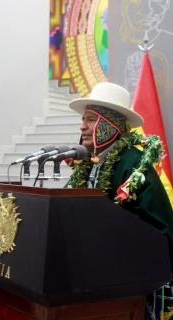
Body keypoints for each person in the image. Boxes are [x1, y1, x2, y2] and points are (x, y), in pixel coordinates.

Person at [66, 82, 173, 319]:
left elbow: (156, 230)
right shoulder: (90, 163)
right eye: (83, 119)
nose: (82, 126)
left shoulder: (133, 163)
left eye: (91, 119)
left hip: (135, 280)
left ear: (110, 124)